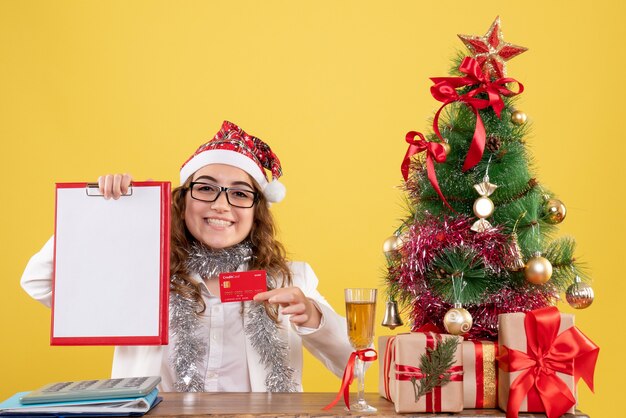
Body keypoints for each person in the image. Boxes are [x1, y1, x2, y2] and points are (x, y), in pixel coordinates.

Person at [21, 120, 354, 392]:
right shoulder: (143, 273)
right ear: (183, 201)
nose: (220, 205)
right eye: (206, 188)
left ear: (257, 211)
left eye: (239, 193)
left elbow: (355, 364)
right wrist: (104, 214)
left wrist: (312, 317)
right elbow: (39, 281)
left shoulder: (290, 279)